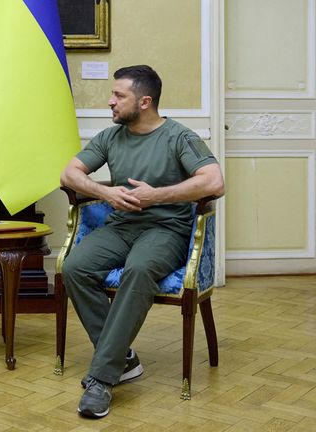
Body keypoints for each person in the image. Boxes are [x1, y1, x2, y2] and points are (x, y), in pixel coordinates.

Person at [59, 65, 225, 418]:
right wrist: (104, 192)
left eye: (119, 96)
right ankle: (124, 358)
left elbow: (213, 182)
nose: (110, 102)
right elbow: (69, 174)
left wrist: (158, 196)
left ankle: (102, 379)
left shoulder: (180, 137)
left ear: (145, 101)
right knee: (75, 267)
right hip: (121, 227)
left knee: (138, 268)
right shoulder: (110, 136)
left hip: (166, 232)